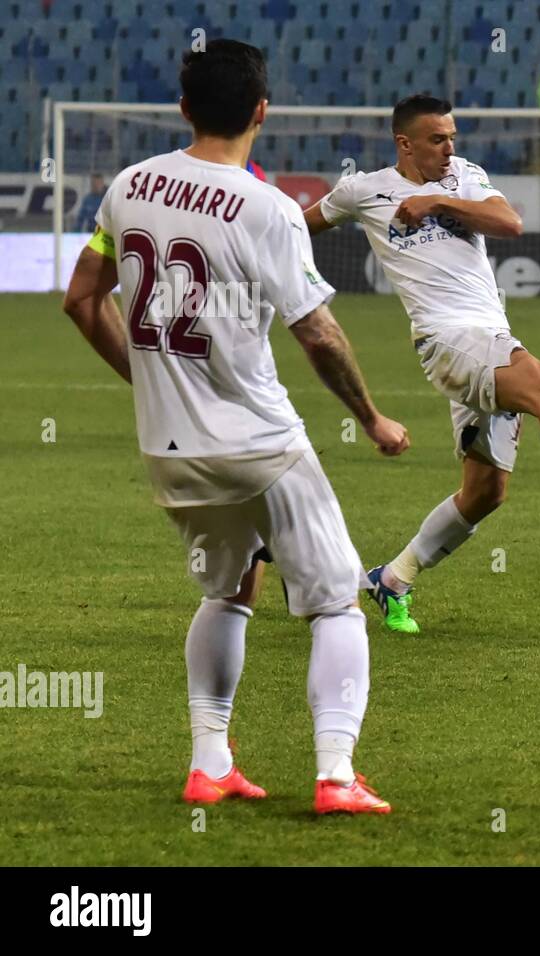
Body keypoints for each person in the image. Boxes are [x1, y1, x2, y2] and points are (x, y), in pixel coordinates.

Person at [61, 39, 409, 814]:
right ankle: (335, 776)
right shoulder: (268, 207)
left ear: (184, 107)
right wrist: (371, 416)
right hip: (258, 444)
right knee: (336, 602)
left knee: (228, 590)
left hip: (170, 450)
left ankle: (209, 762)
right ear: (261, 110)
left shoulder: (128, 186)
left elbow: (81, 299)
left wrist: (151, 381)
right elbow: (317, 334)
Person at [302, 94, 540, 635]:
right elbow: (299, 226)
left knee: (486, 492)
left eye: (452, 137)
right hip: (445, 339)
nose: (449, 148)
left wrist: (437, 204)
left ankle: (392, 580)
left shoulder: (463, 176)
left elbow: (508, 222)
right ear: (405, 143)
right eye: (437, 139)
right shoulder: (363, 190)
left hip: (486, 336)